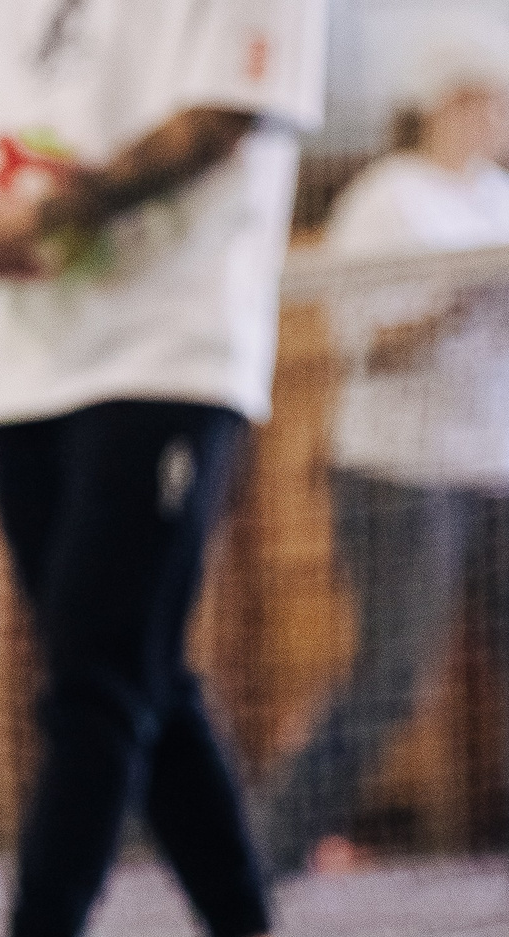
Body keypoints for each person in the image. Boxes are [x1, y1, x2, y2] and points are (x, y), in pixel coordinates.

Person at [0, 0, 331, 937]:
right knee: (139, 673)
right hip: (27, 364)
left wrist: (44, 215)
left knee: (94, 676)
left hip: (166, 354)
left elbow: (221, 119)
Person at [263, 25, 509, 875]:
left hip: (491, 465)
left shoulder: (495, 198)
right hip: (399, 472)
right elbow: (365, 340)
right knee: (392, 675)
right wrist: (462, 297)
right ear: (456, 103)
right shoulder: (388, 200)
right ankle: (262, 859)